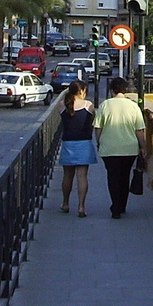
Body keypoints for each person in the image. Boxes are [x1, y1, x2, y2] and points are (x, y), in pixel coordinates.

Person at [93, 77, 146, 219]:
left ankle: (115, 206)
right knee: (124, 176)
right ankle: (122, 205)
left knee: (113, 177)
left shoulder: (105, 105)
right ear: (125, 90)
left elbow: (98, 127)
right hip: (129, 148)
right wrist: (143, 147)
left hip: (109, 148)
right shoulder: (133, 106)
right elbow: (139, 130)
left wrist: (99, 142)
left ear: (112, 90)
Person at [58, 80, 95, 217]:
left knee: (67, 175)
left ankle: (65, 203)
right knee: (82, 175)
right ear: (81, 91)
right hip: (84, 143)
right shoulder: (88, 105)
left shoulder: (62, 105)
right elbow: (91, 122)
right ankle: (81, 206)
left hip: (68, 143)